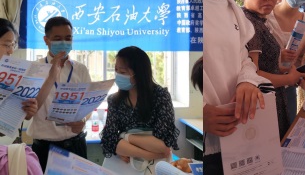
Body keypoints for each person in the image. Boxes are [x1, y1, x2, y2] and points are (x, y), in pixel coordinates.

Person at [203, 0, 269, 175]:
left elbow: (243, 58)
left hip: (239, 133)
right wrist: (199, 113)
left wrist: (247, 81)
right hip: (204, 141)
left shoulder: (229, 5)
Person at [241, 0, 305, 139]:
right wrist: (289, 79)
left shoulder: (259, 20)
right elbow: (253, 75)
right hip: (262, 106)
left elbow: (263, 63)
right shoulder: (250, 23)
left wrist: (280, 62)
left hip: (272, 100)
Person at [27, 16, 92, 172]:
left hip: (76, 145)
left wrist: (83, 119)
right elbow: (28, 112)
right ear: (46, 40)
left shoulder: (80, 69)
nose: (64, 43)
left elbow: (88, 104)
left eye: (68, 38)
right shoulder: (34, 69)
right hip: (44, 148)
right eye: (57, 39)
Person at [101, 46, 179, 172]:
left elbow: (163, 145)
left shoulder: (160, 96)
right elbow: (109, 140)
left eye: (123, 72)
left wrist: (125, 137)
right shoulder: (114, 100)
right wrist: (147, 154)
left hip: (155, 166)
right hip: (125, 167)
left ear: (139, 73)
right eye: (116, 70)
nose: (117, 76)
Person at [266, 0, 305, 123]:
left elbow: (303, 60)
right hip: (263, 87)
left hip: (289, 89)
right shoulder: (265, 17)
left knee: (288, 129)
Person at [0, 19, 38, 145]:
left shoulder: (9, 76)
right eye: (7, 45)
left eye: (13, 45)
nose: (11, 51)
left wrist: (26, 111)